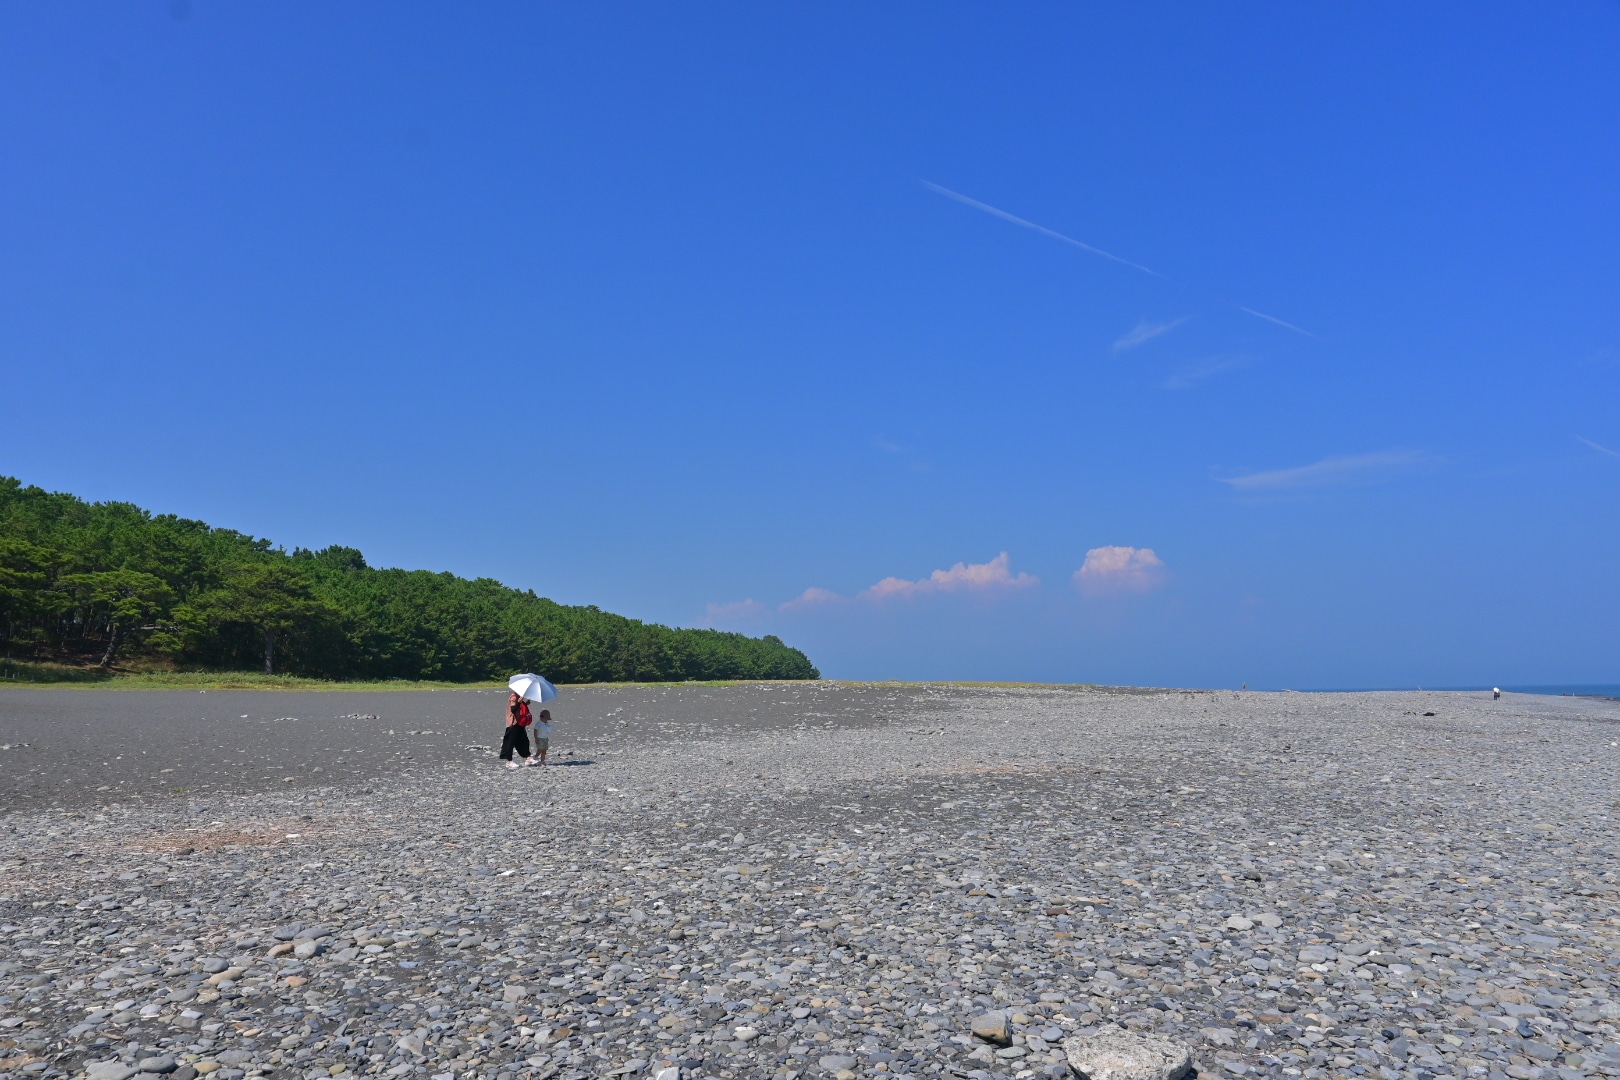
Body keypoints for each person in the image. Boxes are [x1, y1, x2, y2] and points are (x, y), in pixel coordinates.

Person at [500, 691, 532, 770]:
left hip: (519, 723)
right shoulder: (514, 697)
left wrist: (525, 703)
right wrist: (519, 702)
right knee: (510, 742)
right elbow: (513, 709)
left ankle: (527, 758)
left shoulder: (518, 697)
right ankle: (509, 762)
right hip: (513, 723)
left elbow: (519, 708)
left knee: (524, 740)